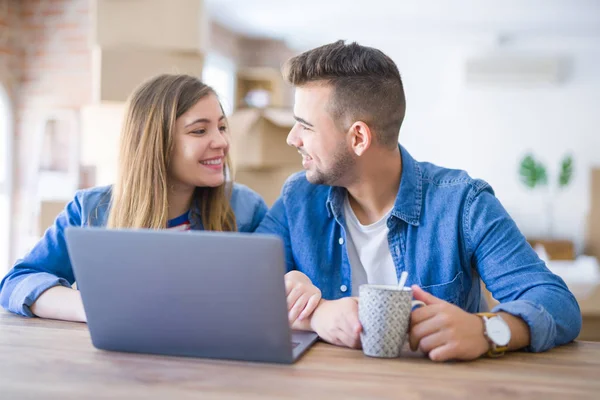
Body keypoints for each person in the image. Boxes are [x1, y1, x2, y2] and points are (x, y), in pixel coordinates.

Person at [257, 40, 582, 361]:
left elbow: (556, 303)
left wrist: (486, 331)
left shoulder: (463, 203)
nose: (292, 137)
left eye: (305, 125)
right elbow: (237, 294)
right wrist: (316, 315)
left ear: (358, 138)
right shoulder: (297, 199)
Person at [0, 74, 268, 322]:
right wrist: (97, 307)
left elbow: (273, 296)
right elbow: (18, 281)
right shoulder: (91, 209)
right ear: (155, 141)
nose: (221, 141)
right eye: (200, 131)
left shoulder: (245, 209)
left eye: (222, 127)